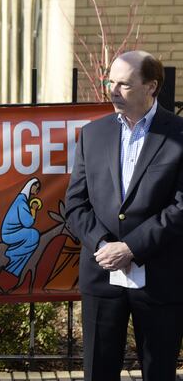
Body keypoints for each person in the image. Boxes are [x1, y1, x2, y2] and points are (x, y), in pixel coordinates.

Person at [65, 50, 183, 380]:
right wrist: (103, 245)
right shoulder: (93, 134)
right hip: (102, 277)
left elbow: (181, 206)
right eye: (110, 82)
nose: (113, 91)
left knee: (159, 372)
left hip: (160, 278)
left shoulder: (178, 135)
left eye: (125, 84)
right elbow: (75, 203)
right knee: (98, 372)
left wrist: (131, 248)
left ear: (152, 87)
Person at [1, 178, 42, 277]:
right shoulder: (21, 202)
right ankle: (12, 259)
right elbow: (28, 223)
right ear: (31, 186)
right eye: (36, 189)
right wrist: (33, 209)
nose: (36, 192)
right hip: (10, 234)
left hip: (14, 232)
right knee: (34, 234)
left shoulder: (21, 199)